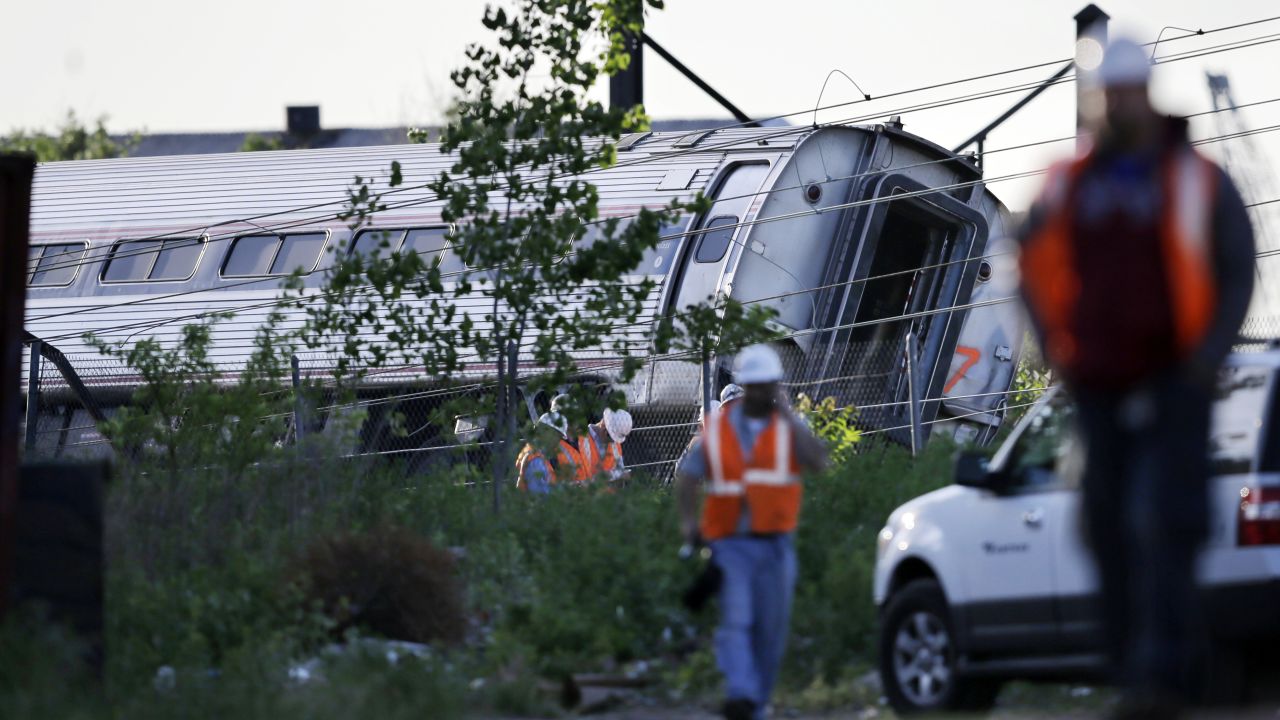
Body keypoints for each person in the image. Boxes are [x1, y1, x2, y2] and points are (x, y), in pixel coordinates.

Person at [1018, 37, 1255, 717]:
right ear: (1098, 97)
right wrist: (1055, 350)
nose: (1120, 103)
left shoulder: (1196, 177)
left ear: (1148, 92)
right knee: (1105, 523)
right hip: (1097, 381)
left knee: (1165, 519)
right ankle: (1139, 667)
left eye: (1130, 91)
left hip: (1175, 377)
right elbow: (1025, 260)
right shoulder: (1066, 181)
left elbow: (1237, 268)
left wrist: (1205, 359)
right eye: (1109, 92)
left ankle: (1164, 673)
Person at [675, 345, 828, 720]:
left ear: (775, 386)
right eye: (753, 385)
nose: (759, 392)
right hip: (730, 543)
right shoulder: (722, 428)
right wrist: (688, 523)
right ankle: (741, 694)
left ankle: (756, 702)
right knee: (736, 621)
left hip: (776, 544)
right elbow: (690, 474)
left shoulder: (789, 427)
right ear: (745, 385)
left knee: (770, 631)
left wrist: (789, 414)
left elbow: (819, 462)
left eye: (765, 386)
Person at [515, 410, 588, 492]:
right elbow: (540, 496)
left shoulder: (541, 454)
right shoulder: (535, 460)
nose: (558, 441)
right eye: (557, 436)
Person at [578, 407, 632, 482]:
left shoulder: (615, 443)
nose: (612, 442)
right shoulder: (580, 439)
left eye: (614, 439)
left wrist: (613, 475)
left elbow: (620, 469)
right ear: (603, 426)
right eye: (611, 437)